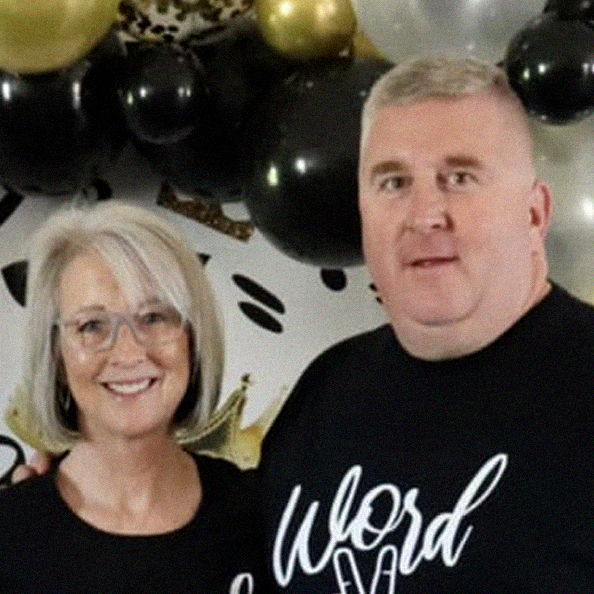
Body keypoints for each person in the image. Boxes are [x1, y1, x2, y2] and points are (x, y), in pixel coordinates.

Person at [257, 55, 594, 593]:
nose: (424, 214)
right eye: (393, 183)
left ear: (534, 214)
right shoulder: (327, 391)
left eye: (459, 178)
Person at [0, 201, 267, 593]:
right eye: (92, 325)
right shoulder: (9, 538)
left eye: (154, 317)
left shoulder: (262, 517)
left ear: (193, 338)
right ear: (56, 354)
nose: (128, 353)